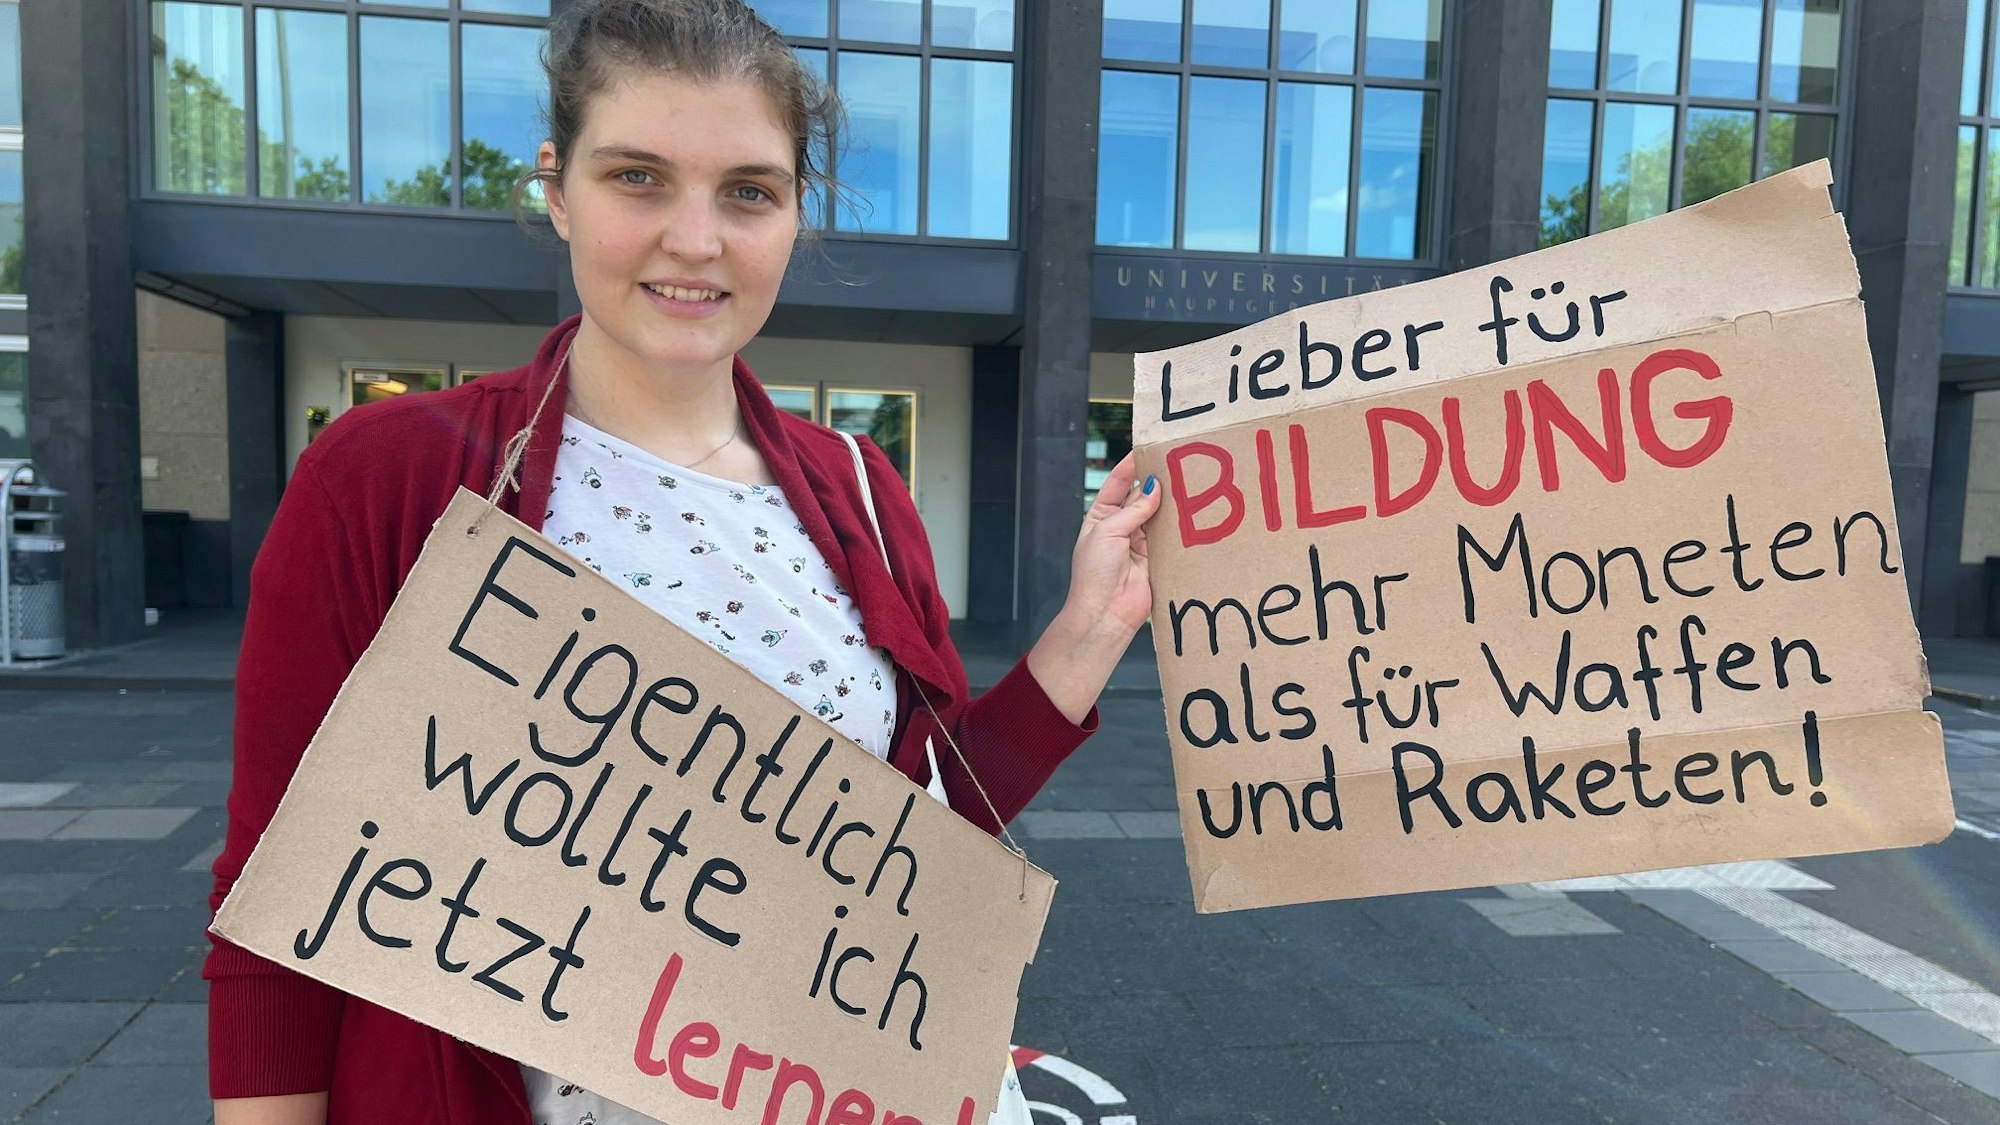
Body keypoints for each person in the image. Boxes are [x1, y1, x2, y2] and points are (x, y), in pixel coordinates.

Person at [205, 2, 1161, 1122]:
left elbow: (918, 852)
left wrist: (1087, 632)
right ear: (557, 190)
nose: (696, 239)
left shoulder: (860, 490)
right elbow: (278, 895)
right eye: (638, 178)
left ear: (797, 213)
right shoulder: (388, 480)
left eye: (748, 191)